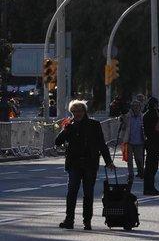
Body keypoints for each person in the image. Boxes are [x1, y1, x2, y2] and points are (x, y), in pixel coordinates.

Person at [54, 100, 116, 230]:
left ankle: (87, 221)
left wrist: (108, 161)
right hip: (74, 164)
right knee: (72, 192)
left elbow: (101, 144)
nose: (77, 114)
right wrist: (65, 129)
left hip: (90, 163)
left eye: (80, 111)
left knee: (88, 193)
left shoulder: (94, 125)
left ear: (84, 111)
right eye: (74, 111)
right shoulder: (69, 125)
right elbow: (57, 142)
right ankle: (69, 220)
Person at [118, 95, 146, 181]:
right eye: (134, 106)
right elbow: (122, 127)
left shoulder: (143, 116)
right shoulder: (128, 116)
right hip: (129, 141)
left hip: (139, 141)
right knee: (129, 160)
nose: (136, 108)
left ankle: (141, 171)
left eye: (137, 106)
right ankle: (131, 174)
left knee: (139, 158)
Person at [141, 97, 159, 196]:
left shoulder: (145, 115)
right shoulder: (154, 115)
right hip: (153, 142)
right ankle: (150, 188)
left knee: (149, 167)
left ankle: (148, 188)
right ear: (155, 105)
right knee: (152, 167)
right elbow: (158, 128)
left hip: (149, 142)